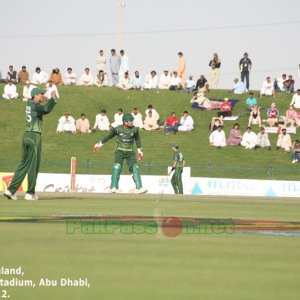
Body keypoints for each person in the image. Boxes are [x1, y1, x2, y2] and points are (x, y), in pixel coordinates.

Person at [3, 88, 57, 201]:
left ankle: (10, 190)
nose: (43, 95)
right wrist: (52, 99)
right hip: (34, 136)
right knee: (34, 165)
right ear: (35, 95)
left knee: (23, 164)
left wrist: (46, 98)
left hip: (26, 135)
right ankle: (30, 193)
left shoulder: (29, 104)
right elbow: (46, 109)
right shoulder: (36, 106)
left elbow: (40, 107)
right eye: (41, 94)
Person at [92, 113, 147, 194]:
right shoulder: (118, 129)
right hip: (119, 151)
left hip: (130, 152)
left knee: (135, 167)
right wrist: (98, 145)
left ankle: (139, 188)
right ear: (125, 122)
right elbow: (108, 137)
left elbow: (137, 140)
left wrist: (140, 151)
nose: (132, 122)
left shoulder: (135, 129)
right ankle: (113, 187)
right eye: (130, 121)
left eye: (132, 121)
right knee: (117, 167)